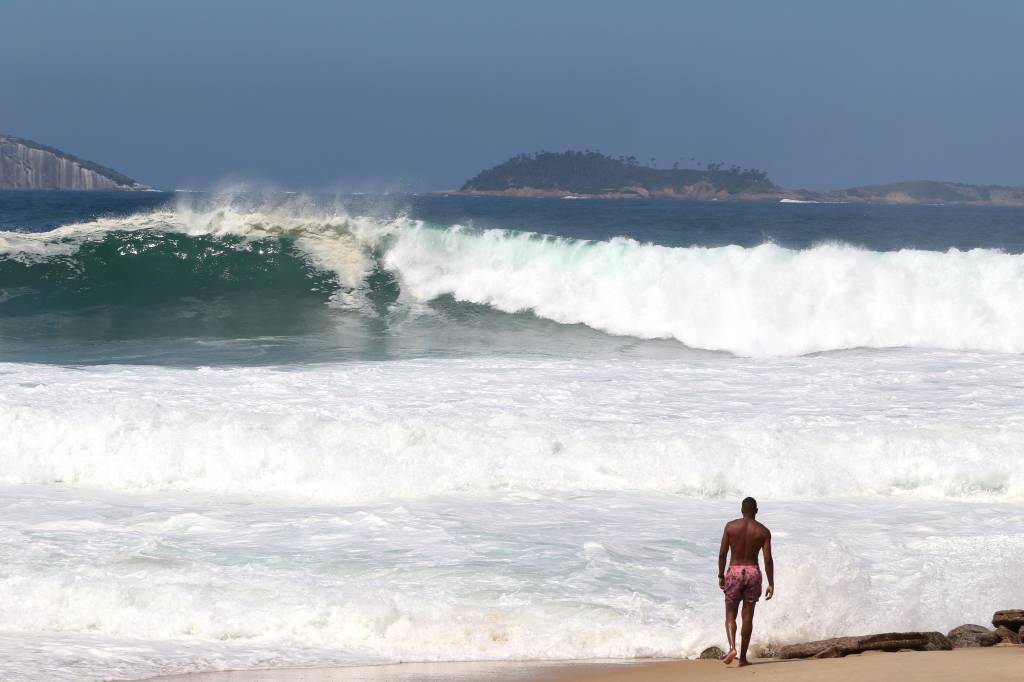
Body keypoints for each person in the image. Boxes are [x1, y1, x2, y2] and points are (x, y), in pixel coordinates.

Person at [717, 496, 774, 667]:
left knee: (730, 615)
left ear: (741, 510)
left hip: (734, 572)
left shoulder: (730, 527)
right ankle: (742, 659)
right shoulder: (763, 531)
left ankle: (732, 647)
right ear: (756, 511)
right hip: (752, 573)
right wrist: (771, 582)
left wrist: (721, 575)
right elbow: (768, 559)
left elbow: (722, 554)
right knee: (748, 616)